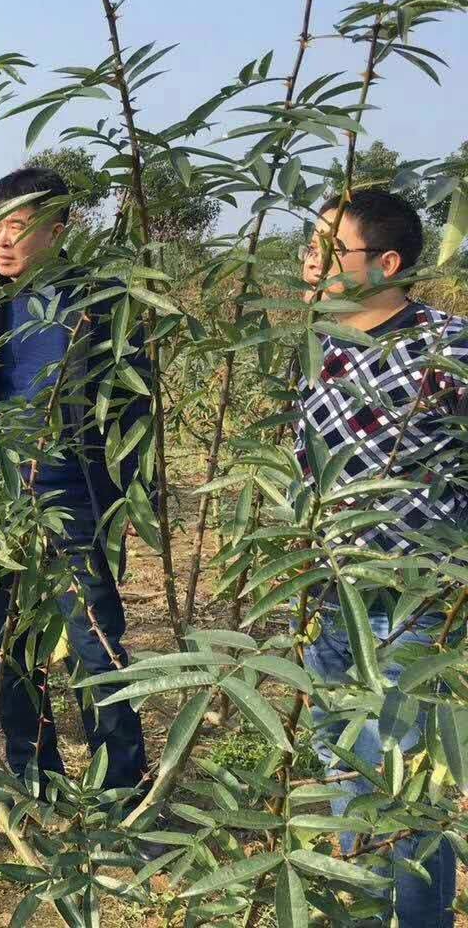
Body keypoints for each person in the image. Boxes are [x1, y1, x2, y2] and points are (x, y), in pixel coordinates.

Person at [0, 167, 149, 791]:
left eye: (18, 226)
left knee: (94, 642)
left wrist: (130, 491)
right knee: (11, 641)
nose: (2, 241)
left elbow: (135, 404)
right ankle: (32, 776)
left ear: (59, 231)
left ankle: (120, 784)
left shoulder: (99, 299)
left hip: (75, 495)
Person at [296, 189, 463, 927]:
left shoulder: (448, 347)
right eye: (308, 242)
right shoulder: (314, 342)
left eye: (330, 247)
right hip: (329, 600)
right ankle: (366, 910)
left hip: (414, 606)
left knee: (407, 788)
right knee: (343, 767)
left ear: (387, 262)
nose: (309, 258)